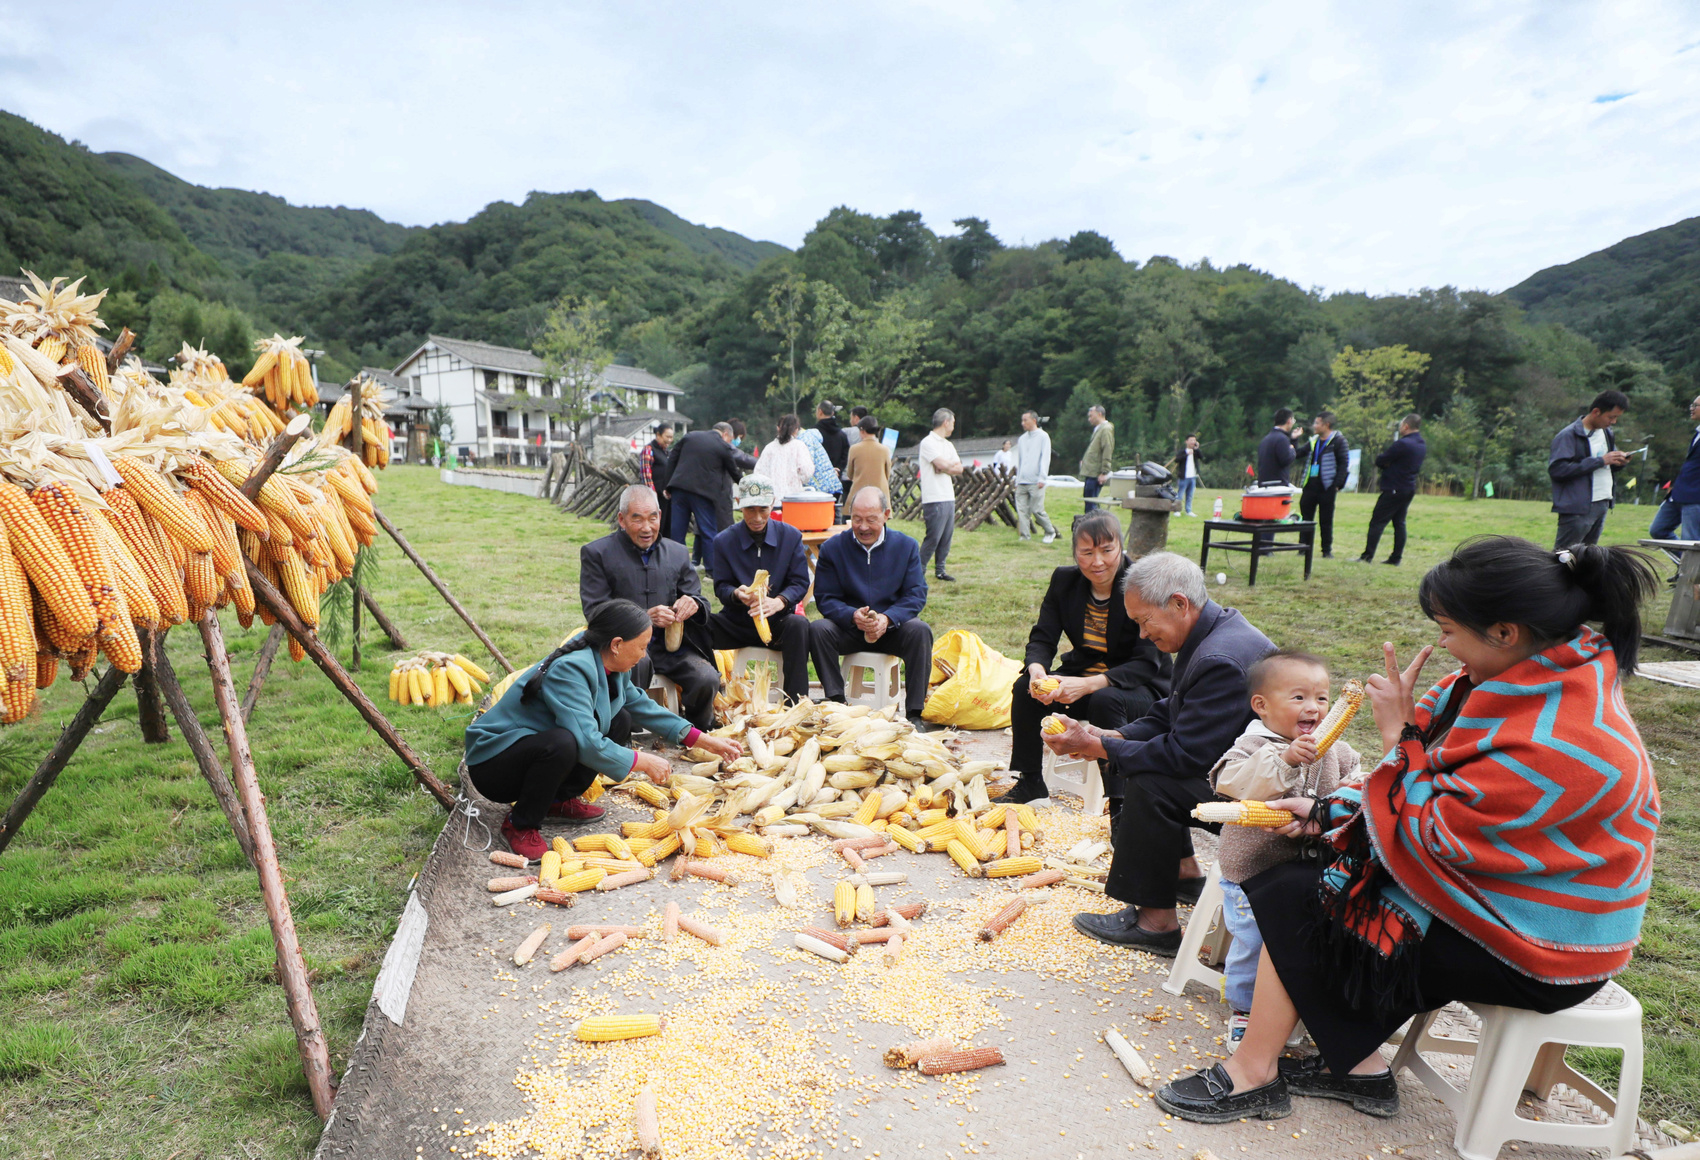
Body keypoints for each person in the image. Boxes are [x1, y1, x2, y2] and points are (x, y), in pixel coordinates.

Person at [1157, 536, 1661, 1123]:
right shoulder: (1512, 679)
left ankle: (1253, 1073)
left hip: (1544, 942)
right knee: (1314, 874)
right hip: (1497, 898)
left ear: (1505, 631)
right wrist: (1324, 813)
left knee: (1311, 897)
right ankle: (1360, 1066)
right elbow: (1406, 795)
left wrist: (1399, 735)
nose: (1443, 644)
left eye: (1448, 629)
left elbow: (1433, 836)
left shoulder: (1561, 737)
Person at [1044, 552, 1274, 954]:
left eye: (1144, 621)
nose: (1144, 635)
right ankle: (1183, 873)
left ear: (1179, 604)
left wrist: (1099, 746)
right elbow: (1171, 713)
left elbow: (1184, 757)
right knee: (1140, 759)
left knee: (1151, 781)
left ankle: (1156, 924)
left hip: (1265, 798)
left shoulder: (1220, 659)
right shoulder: (1215, 629)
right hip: (1240, 768)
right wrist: (1111, 734)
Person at [463, 600, 744, 859]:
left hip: (528, 749)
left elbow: (640, 704)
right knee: (564, 742)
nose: (645, 654)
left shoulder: (611, 662)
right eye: (642, 646)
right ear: (617, 643)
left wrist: (704, 740)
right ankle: (519, 823)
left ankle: (555, 801)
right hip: (494, 765)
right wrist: (642, 761)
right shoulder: (570, 670)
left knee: (618, 718)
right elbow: (586, 741)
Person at [1204, 651, 1361, 1049]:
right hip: (1254, 871)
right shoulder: (1252, 745)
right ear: (1262, 705)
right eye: (1299, 698)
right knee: (1257, 940)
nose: (1314, 708)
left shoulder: (1338, 751)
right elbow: (1233, 784)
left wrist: (1340, 806)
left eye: (1322, 698)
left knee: (1313, 939)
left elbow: (1359, 790)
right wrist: (1285, 760)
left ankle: (1293, 1007)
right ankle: (1245, 1010)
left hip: (1313, 873)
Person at [1005, 510, 1172, 804]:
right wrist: (1037, 671)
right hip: (1084, 675)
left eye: (1107, 551)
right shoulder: (1064, 581)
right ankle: (1030, 779)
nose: (1098, 562)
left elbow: (1147, 662)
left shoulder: (1142, 584)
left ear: (1121, 547)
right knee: (1024, 689)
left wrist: (1087, 685)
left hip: (1141, 687)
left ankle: (1119, 802)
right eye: (1087, 553)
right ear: (1075, 553)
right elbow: (1043, 636)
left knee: (1104, 700)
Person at [583, 485, 719, 730]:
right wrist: (644, 617)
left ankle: (697, 732)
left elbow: (701, 600)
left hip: (671, 647)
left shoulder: (677, 552)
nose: (647, 528)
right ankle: (627, 736)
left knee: (706, 678)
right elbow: (594, 611)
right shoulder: (597, 553)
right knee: (638, 666)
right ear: (622, 520)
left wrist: (693, 603)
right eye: (637, 519)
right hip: (624, 646)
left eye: (653, 518)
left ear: (660, 516)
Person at [809, 487, 934, 730]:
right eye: (857, 519)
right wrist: (852, 616)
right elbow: (825, 598)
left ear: (886, 514)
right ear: (849, 516)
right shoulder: (833, 548)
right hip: (850, 630)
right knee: (818, 629)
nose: (863, 527)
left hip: (892, 630)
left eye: (871, 520)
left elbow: (916, 594)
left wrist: (888, 618)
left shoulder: (906, 546)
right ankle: (837, 704)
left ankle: (915, 714)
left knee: (920, 631)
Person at [710, 476, 813, 703]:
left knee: (799, 624)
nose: (757, 518)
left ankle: (796, 702)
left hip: (777, 623)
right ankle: (711, 700)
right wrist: (737, 594)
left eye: (763, 509)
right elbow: (721, 586)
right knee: (699, 625)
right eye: (750, 509)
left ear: (773, 503)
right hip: (738, 621)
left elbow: (799, 582)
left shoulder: (791, 536)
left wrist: (779, 602)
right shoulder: (723, 541)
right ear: (739, 503)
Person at [1550, 390, 1631, 549]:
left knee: (1587, 559)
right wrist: (1600, 461)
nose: (1613, 422)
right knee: (1563, 557)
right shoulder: (1568, 435)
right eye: (1611, 417)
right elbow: (1557, 470)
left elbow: (1607, 463)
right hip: (1578, 508)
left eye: (1616, 418)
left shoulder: (1607, 432)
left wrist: (1619, 461)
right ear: (1596, 412)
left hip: (1602, 503)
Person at [666, 422, 744, 576]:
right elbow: (734, 471)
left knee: (677, 531)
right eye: (731, 439)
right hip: (702, 494)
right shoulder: (722, 445)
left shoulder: (690, 436)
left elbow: (673, 456)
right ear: (726, 434)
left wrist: (668, 484)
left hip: (679, 489)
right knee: (708, 531)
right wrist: (745, 486)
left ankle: (675, 569)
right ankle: (711, 571)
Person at [1357, 414, 1426, 566]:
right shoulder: (1421, 444)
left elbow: (1380, 460)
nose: (1400, 428)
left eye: (1401, 425)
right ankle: (1396, 557)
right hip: (1408, 487)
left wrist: (1389, 464)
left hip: (1394, 488)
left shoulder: (1402, 444)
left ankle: (1367, 556)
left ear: (1406, 426)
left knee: (1377, 522)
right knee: (1399, 522)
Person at [917, 408, 964, 582]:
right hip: (934, 496)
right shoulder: (928, 442)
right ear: (946, 422)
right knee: (934, 536)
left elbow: (958, 468)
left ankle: (940, 570)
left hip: (947, 495)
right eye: (952, 422)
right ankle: (919, 570)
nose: (953, 426)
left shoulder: (947, 445)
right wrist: (946, 466)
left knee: (946, 536)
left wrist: (945, 467)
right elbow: (942, 464)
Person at [1649, 391, 1700, 544]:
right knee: (1658, 530)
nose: (1691, 408)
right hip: (1678, 494)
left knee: (1690, 542)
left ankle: (1690, 567)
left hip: (1695, 498)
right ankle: (1686, 562)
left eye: (1696, 406)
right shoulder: (1697, 432)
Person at [1297, 412, 1349, 557]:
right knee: (1305, 519)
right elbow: (1298, 453)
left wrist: (1337, 485)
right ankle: (1303, 548)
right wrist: (1294, 440)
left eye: (1317, 423)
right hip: (1310, 486)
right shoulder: (1314, 440)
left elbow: (1344, 464)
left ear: (1326, 425)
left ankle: (1326, 550)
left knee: (1326, 520)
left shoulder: (1339, 441)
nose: (1314, 426)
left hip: (1327, 487)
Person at [1013, 411, 1058, 543]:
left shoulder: (1043, 437)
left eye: (1025, 420)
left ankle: (1050, 531)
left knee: (1037, 510)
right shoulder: (1022, 439)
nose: (1023, 423)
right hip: (1022, 480)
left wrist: (1042, 478)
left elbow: (1045, 457)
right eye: (1022, 420)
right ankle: (1025, 536)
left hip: (1036, 480)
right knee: (1022, 510)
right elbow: (1020, 460)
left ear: (1034, 420)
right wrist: (1017, 479)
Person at [759, 413, 815, 500]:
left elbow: (759, 473)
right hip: (793, 498)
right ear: (796, 430)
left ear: (778, 428)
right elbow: (807, 471)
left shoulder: (769, 448)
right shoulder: (799, 446)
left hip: (771, 500)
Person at [640, 420, 676, 536]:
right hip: (656, 498)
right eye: (667, 437)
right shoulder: (649, 450)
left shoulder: (667, 452)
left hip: (667, 497)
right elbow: (646, 473)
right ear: (658, 435)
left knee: (667, 528)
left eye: (671, 437)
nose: (669, 440)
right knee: (657, 527)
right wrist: (652, 493)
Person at [845, 416, 891, 504]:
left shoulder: (854, 449)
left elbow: (850, 474)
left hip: (859, 494)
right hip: (880, 494)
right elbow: (887, 474)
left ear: (862, 431)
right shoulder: (885, 450)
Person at [1079, 405, 1115, 499]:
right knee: (1088, 500)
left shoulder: (1106, 429)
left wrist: (1104, 472)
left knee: (1092, 502)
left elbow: (1107, 449)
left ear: (1099, 414)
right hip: (1091, 472)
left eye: (1091, 416)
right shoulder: (1099, 429)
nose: (1089, 419)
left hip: (1096, 474)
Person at [1255, 409, 1297, 485]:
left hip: (1264, 483)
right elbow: (1285, 460)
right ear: (1289, 420)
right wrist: (1292, 449)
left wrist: (1293, 439)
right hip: (1277, 485)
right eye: (1293, 420)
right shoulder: (1282, 439)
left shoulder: (1265, 439)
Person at [815, 401, 850, 480]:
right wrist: (838, 470)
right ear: (833, 413)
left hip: (818, 481)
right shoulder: (842, 435)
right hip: (836, 478)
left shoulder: (813, 433)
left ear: (820, 412)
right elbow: (845, 457)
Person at [1173, 434, 1203, 517]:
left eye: (1194, 440)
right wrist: (1187, 454)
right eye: (1191, 440)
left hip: (1192, 476)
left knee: (1190, 495)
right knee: (1180, 494)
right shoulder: (1182, 451)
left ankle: (1188, 510)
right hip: (1184, 476)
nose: (1193, 442)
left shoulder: (1195, 452)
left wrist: (1197, 449)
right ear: (1186, 441)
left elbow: (1201, 457)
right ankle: (1177, 510)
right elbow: (1177, 460)